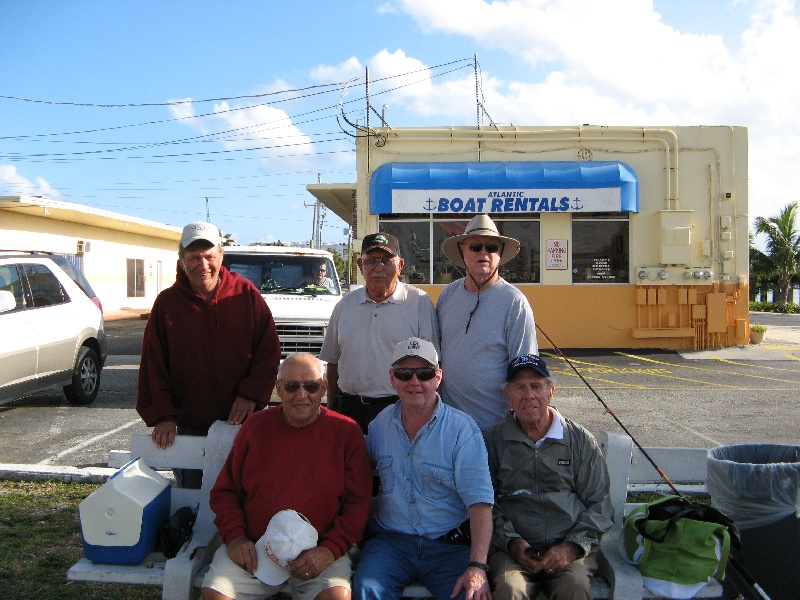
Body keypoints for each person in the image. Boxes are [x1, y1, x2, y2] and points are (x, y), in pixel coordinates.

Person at [202, 353, 373, 600]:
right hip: (255, 549)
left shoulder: (346, 432)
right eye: (292, 386)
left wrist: (329, 549)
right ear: (278, 389)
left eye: (311, 386)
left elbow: (357, 504)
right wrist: (236, 537)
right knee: (215, 596)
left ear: (324, 388)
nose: (301, 395)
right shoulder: (255, 427)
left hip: (320, 553)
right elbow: (225, 492)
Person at [137, 221, 281, 488]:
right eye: (193, 257)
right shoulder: (167, 304)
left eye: (209, 257)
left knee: (244, 490)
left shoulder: (245, 294)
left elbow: (268, 349)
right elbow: (153, 365)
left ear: (221, 256)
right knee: (191, 495)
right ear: (181, 260)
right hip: (190, 423)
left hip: (240, 422)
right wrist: (163, 416)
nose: (202, 265)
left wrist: (251, 394)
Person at [353, 337, 494, 600]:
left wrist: (477, 567)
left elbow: (480, 504)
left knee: (471, 596)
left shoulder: (462, 430)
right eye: (406, 374)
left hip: (448, 547)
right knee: (366, 589)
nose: (415, 382)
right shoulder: (381, 424)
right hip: (391, 545)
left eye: (425, 373)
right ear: (392, 378)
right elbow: (350, 464)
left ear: (438, 377)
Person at [483, 354, 614, 600]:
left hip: (569, 549)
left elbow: (600, 504)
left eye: (536, 386)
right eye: (519, 387)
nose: (528, 395)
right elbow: (484, 503)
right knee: (510, 589)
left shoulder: (579, 440)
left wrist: (571, 547)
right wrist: (511, 542)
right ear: (508, 397)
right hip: (512, 551)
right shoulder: (492, 441)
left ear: (550, 392)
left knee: (574, 587)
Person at [320, 232, 439, 434]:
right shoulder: (345, 305)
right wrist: (332, 406)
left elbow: (432, 364)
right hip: (349, 409)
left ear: (400, 265)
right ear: (360, 265)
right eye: (371, 261)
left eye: (386, 260)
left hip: (399, 410)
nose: (378, 268)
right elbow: (333, 361)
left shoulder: (419, 302)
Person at [437, 214, 538, 430]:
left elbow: (525, 370)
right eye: (475, 246)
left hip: (495, 429)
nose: (484, 252)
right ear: (462, 251)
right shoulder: (447, 295)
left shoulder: (515, 302)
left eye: (491, 246)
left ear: (499, 254)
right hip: (449, 426)